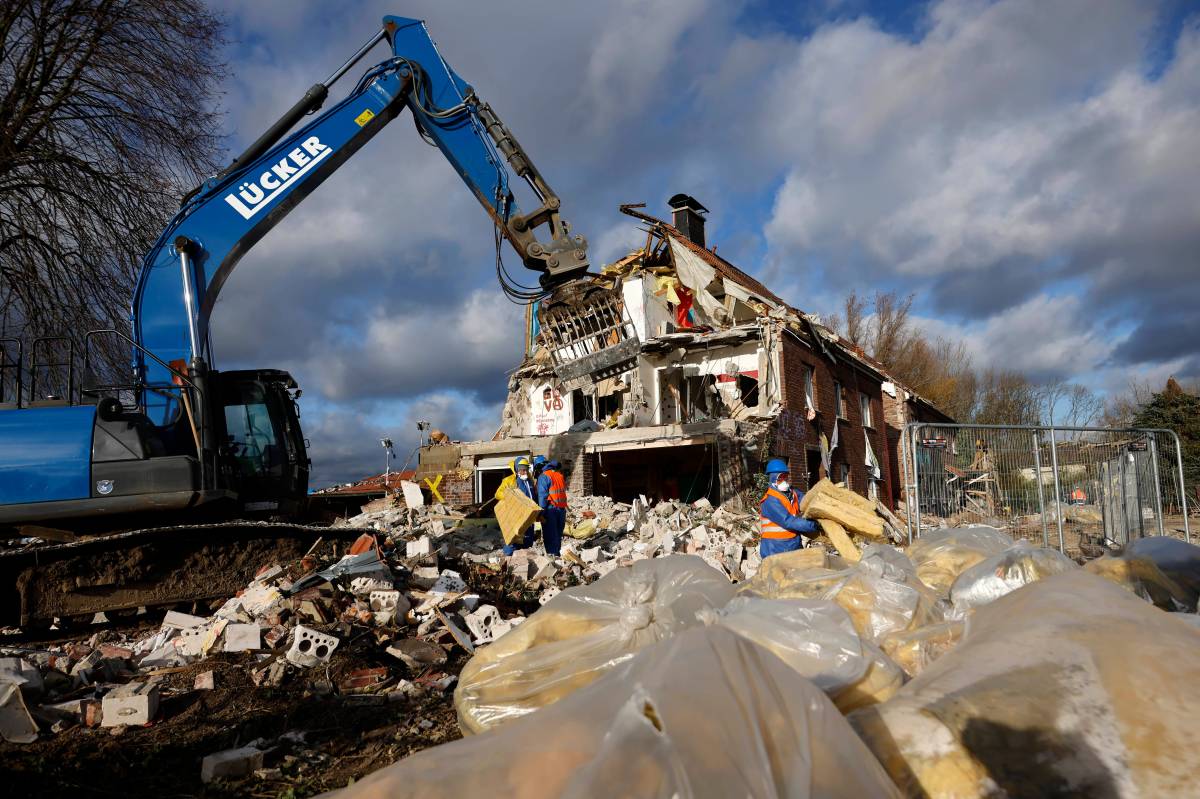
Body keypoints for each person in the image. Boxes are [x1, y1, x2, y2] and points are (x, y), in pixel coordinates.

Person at [759, 458, 819, 559]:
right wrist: (814, 525)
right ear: (773, 479)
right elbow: (788, 521)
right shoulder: (770, 501)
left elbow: (806, 502)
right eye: (780, 477)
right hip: (775, 549)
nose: (784, 480)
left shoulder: (793, 493)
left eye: (786, 476)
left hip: (793, 544)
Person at [495, 456, 536, 556]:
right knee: (514, 541)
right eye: (522, 469)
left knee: (527, 541)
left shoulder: (530, 480)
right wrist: (510, 495)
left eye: (526, 469)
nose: (524, 471)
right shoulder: (510, 480)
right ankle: (507, 561)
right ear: (517, 469)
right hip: (516, 517)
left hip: (529, 516)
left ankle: (524, 562)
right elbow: (497, 494)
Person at [536, 458, 567, 557]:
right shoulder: (559, 475)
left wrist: (540, 514)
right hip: (561, 510)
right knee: (557, 535)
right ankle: (557, 555)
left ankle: (552, 559)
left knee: (550, 535)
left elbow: (543, 497)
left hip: (550, 510)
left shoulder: (543, 477)